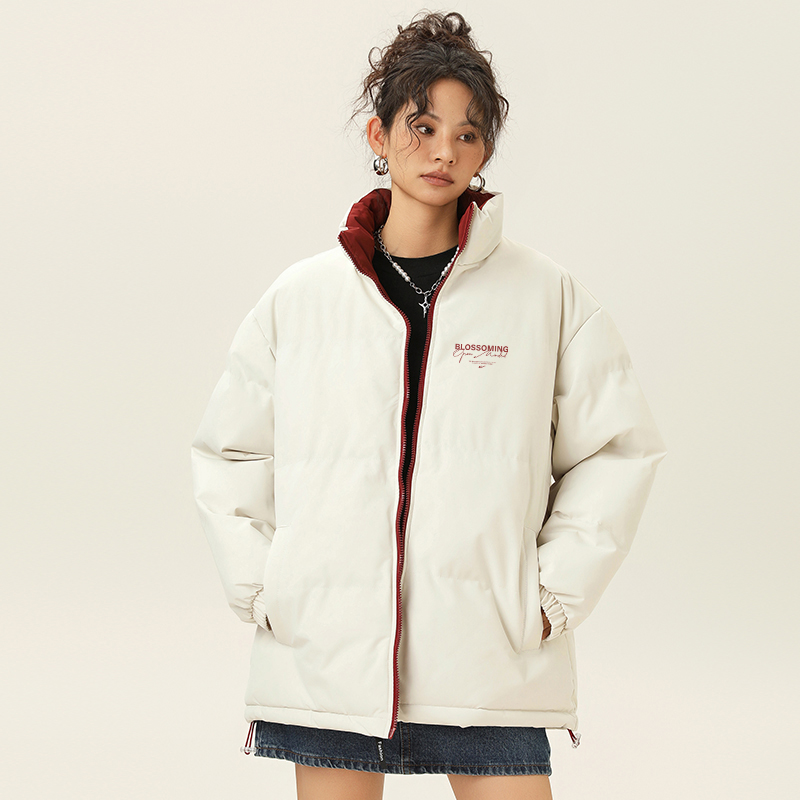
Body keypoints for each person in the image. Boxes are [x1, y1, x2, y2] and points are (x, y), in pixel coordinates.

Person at [190, 10, 667, 800]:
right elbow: (229, 451)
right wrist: (267, 587)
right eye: (423, 126)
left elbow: (618, 450)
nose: (444, 150)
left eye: (467, 134)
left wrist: (549, 598)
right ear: (379, 136)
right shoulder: (300, 300)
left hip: (490, 656)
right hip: (328, 657)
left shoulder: (544, 296)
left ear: (484, 153)